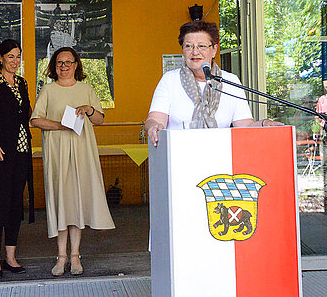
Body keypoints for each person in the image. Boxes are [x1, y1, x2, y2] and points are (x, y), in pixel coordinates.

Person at [30, 46, 115, 276]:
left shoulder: (86, 88)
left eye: (68, 62)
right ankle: (61, 257)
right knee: (61, 201)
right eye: (59, 63)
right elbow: (35, 120)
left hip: (81, 152)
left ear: (76, 65)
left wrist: (88, 110)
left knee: (76, 202)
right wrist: (60, 125)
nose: (64, 66)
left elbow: (100, 120)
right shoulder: (47, 90)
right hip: (57, 153)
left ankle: (75, 256)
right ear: (53, 66)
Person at [146, 20, 281, 145]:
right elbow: (155, 119)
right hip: (177, 155)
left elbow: (244, 127)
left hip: (221, 156)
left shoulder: (230, 81)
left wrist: (264, 124)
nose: (195, 52)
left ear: (214, 49)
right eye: (188, 46)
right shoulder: (170, 80)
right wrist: (154, 126)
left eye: (202, 46)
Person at [0, 39, 34, 279]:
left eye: (18, 56)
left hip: (21, 151)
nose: (15, 61)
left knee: (15, 204)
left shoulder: (23, 83)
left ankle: (11, 257)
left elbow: (28, 115)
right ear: (1, 58)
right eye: (10, 56)